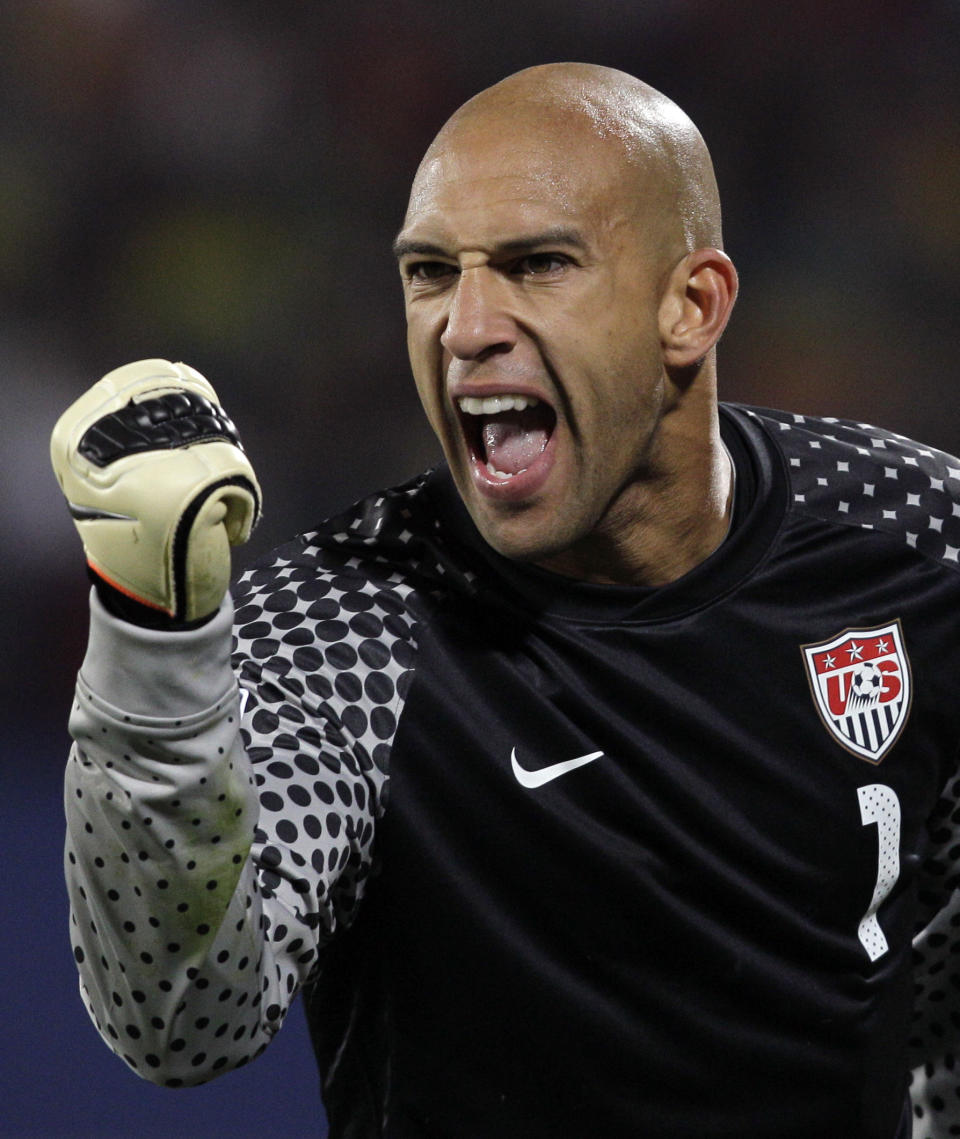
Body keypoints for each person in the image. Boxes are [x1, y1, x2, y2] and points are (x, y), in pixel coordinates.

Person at [51, 63, 960, 1139]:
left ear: (692, 304)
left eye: (538, 264)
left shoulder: (921, 539)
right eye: (431, 273)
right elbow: (182, 1018)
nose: (467, 324)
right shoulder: (347, 626)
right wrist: (154, 637)